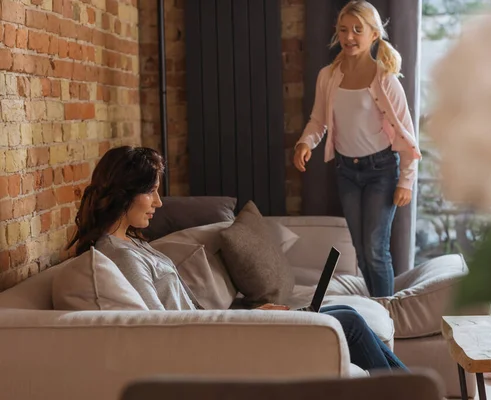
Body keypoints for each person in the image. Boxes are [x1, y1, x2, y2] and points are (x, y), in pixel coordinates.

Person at [67, 145, 407, 372]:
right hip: (219, 348)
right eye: (151, 191)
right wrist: (244, 323)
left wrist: (250, 314)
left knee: (345, 313)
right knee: (346, 323)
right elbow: (162, 328)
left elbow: (188, 314)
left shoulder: (134, 245)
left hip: (224, 331)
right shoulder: (118, 256)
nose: (158, 202)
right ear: (125, 193)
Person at [293, 1, 421, 297]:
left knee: (376, 250)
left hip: (381, 172)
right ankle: (376, 312)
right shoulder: (328, 76)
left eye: (357, 30)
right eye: (343, 30)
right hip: (346, 172)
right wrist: (304, 142)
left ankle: (389, 317)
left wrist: (406, 181)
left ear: (374, 35)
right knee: (361, 252)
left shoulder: (385, 79)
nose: (349, 36)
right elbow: (318, 121)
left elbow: (406, 134)